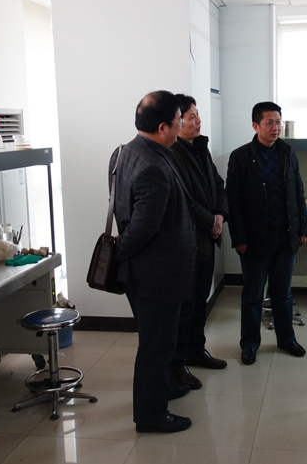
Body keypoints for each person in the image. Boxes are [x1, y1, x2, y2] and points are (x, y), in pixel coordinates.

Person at [110, 90, 196, 433]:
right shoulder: (153, 167)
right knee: (156, 347)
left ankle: (165, 388)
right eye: (178, 121)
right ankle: (151, 415)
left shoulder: (126, 151)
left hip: (145, 271)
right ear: (163, 127)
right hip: (156, 275)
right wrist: (120, 251)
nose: (182, 125)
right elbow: (141, 228)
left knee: (158, 340)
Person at [226, 101, 307, 365]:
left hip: (285, 235)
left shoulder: (287, 152)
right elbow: (233, 201)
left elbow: (298, 192)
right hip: (254, 238)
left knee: (283, 293)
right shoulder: (240, 157)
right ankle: (250, 344)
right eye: (269, 123)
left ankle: (286, 339)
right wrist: (239, 237)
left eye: (278, 122)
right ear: (255, 125)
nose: (275, 128)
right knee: (252, 296)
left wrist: (302, 228)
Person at [169, 94, 228, 390]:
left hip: (206, 239)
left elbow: (218, 185)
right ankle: (178, 362)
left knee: (199, 301)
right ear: (177, 122)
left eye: (197, 115)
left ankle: (196, 349)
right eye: (191, 117)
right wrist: (211, 222)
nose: (198, 121)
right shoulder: (172, 154)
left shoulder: (200, 148)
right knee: (185, 306)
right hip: (187, 243)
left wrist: (220, 215)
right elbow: (185, 201)